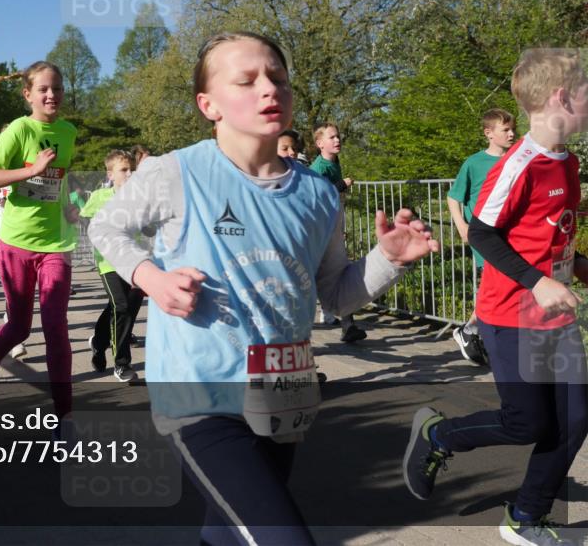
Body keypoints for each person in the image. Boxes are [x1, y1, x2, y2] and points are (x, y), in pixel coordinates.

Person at [89, 32, 438, 546]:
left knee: (229, 532)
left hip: (282, 393)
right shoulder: (174, 172)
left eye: (277, 78)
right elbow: (106, 229)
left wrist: (387, 260)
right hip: (199, 396)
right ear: (208, 105)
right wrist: (153, 279)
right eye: (246, 81)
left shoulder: (319, 195)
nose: (268, 89)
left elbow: (335, 296)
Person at [403, 48, 588, 546]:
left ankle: (526, 516)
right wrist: (538, 283)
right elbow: (482, 234)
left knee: (575, 419)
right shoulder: (518, 164)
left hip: (555, 315)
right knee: (526, 423)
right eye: (586, 90)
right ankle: (437, 437)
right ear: (560, 97)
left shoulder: (567, 162)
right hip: (513, 314)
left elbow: (556, 239)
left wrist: (578, 271)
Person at [0, 62, 80, 417]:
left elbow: (58, 181)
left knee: (56, 327)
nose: (52, 95)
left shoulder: (68, 132)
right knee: (19, 326)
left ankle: (64, 418)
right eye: (44, 89)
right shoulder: (19, 129)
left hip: (56, 244)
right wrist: (30, 170)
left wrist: (68, 208)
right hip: (16, 241)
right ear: (28, 94)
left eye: (58, 88)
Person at [446, 108, 516, 366]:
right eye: (505, 130)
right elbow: (454, 197)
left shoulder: (518, 158)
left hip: (511, 234)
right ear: (489, 133)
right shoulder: (474, 163)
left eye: (512, 128)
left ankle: (472, 330)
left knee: (502, 288)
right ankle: (475, 332)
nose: (511, 133)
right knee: (494, 287)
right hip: (485, 235)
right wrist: (462, 226)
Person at [82, 149, 143, 383]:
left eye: (132, 169)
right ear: (110, 174)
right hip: (108, 262)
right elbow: (87, 223)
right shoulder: (99, 197)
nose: (129, 174)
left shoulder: (140, 196)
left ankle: (98, 342)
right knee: (121, 306)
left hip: (135, 260)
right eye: (124, 170)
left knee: (120, 308)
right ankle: (122, 364)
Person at [310, 122, 366, 343]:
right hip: (321, 229)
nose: (337, 140)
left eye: (338, 136)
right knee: (327, 271)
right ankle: (335, 316)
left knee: (337, 271)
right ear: (319, 143)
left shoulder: (334, 163)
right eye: (332, 137)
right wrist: (341, 184)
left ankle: (345, 323)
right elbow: (318, 196)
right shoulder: (319, 167)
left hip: (333, 226)